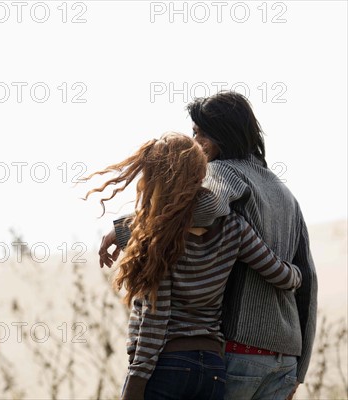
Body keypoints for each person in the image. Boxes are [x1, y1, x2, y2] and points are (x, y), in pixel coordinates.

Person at [99, 92, 317, 400]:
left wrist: (124, 228)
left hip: (237, 351)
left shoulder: (223, 172)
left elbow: (200, 209)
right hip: (283, 361)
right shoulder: (286, 195)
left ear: (221, 136)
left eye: (200, 133)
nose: (196, 143)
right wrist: (300, 369)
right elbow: (307, 283)